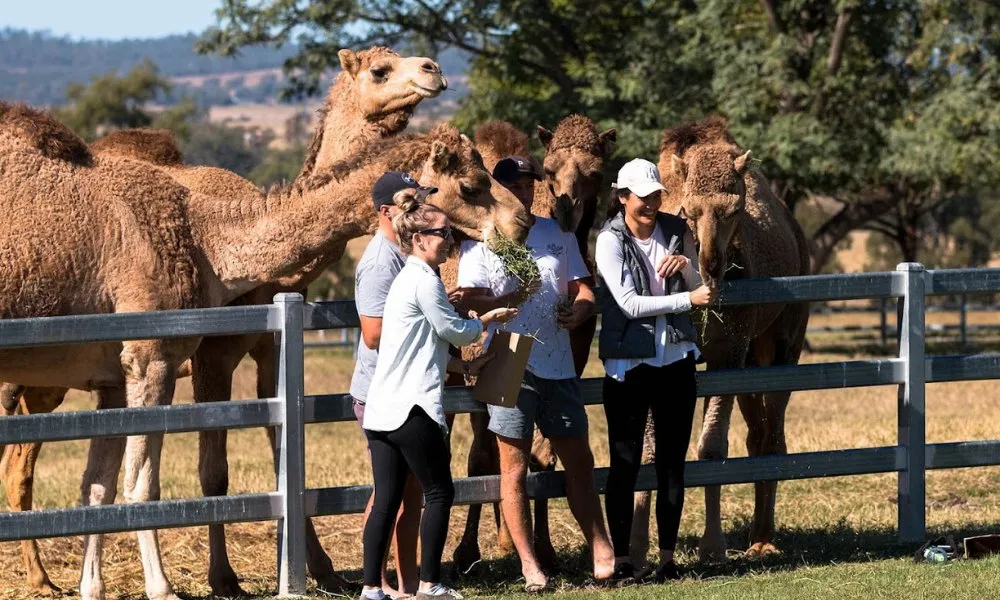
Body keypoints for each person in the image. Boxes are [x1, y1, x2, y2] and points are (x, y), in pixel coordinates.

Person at [453, 155, 616, 590]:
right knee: (513, 468)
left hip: (557, 358)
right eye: (515, 186)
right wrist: (507, 299)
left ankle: (600, 546)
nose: (524, 193)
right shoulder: (481, 240)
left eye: (529, 185)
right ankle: (529, 564)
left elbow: (583, 288)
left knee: (578, 459)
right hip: (506, 356)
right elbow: (468, 300)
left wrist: (581, 310)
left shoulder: (556, 234)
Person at [362, 193, 518, 600]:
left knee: (386, 501)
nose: (450, 240)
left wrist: (463, 368)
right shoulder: (425, 280)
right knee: (439, 492)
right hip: (413, 409)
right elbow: (455, 332)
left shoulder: (405, 280)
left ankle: (371, 589)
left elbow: (419, 345)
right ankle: (430, 584)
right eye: (443, 233)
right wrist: (487, 320)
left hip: (382, 411)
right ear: (418, 239)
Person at [594, 158, 715, 582]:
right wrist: (686, 300)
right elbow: (629, 304)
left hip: (676, 361)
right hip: (629, 366)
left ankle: (667, 559)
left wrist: (687, 268)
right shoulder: (609, 240)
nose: (650, 204)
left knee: (671, 464)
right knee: (624, 462)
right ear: (622, 197)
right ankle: (623, 561)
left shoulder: (677, 230)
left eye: (656, 196)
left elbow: (703, 286)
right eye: (642, 197)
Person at [349, 171, 431, 597]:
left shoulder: (406, 251)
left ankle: (407, 583)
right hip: (381, 392)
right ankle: (375, 581)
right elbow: (373, 334)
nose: (421, 208)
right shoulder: (380, 262)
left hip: (403, 388)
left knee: (410, 490)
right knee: (389, 492)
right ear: (386, 211)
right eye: (411, 201)